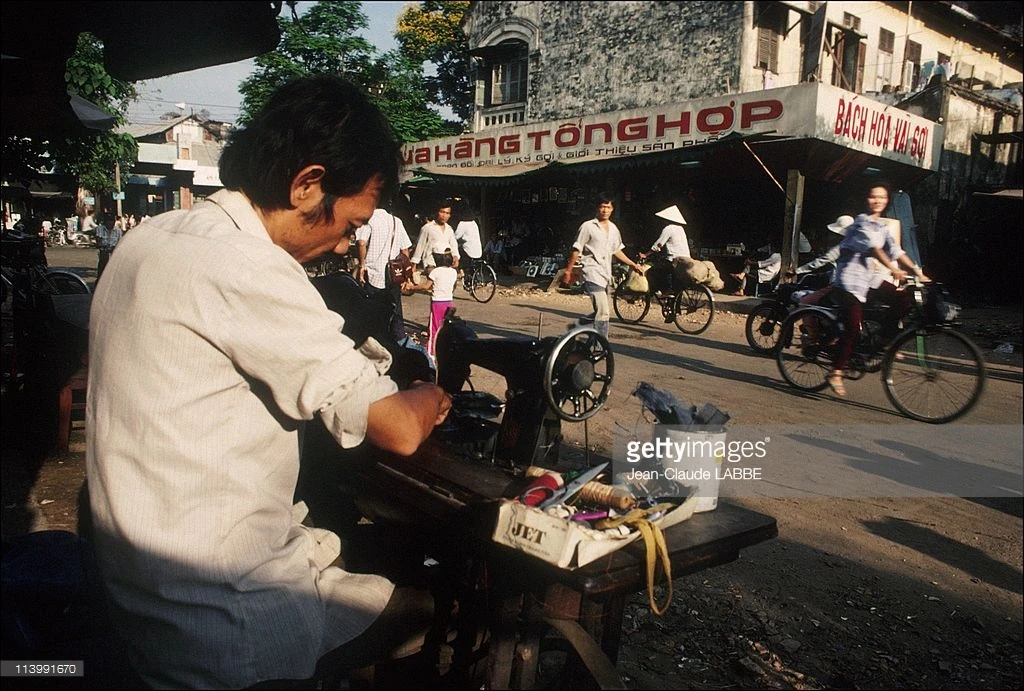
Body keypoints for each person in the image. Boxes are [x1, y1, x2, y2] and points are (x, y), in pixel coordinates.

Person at [85, 75, 453, 689]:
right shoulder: (246, 263)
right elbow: (397, 429)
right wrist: (430, 394)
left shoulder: (151, 237)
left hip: (138, 582)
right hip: (222, 615)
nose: (346, 243)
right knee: (438, 601)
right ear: (307, 184)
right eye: (351, 223)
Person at [827, 181, 928, 396]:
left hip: (869, 280)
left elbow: (897, 251)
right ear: (866, 199)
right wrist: (894, 269)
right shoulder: (861, 223)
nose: (877, 201)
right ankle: (836, 371)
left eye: (882, 197)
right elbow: (874, 249)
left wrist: (917, 272)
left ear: (887, 200)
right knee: (852, 328)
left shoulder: (882, 227)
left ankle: (882, 341)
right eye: (873, 196)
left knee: (903, 300)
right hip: (850, 281)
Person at [561, 193, 644, 339]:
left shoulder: (614, 229)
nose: (605, 210)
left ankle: (577, 326)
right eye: (602, 207)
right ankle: (600, 345)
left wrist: (632, 264)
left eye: (608, 207)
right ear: (597, 208)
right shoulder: (588, 226)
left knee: (600, 311)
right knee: (604, 312)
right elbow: (576, 249)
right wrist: (568, 271)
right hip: (591, 272)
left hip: (605, 274)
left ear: (612, 209)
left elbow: (616, 251)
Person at [356, 207, 413, 343]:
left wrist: (361, 265)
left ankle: (375, 340)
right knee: (395, 310)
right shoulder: (397, 221)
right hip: (394, 274)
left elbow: (361, 242)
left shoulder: (369, 219)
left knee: (373, 311)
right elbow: (405, 249)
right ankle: (399, 341)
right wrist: (406, 275)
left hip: (373, 273)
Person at [402, 249, 459, 360]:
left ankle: (431, 354)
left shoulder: (435, 272)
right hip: (449, 302)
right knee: (445, 328)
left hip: (437, 303)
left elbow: (426, 286)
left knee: (434, 329)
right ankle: (445, 350)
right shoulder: (453, 272)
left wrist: (412, 287)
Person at [639, 204, 690, 296]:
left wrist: (646, 255)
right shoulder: (681, 228)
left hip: (673, 259)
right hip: (685, 260)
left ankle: (665, 291)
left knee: (652, 271)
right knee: (676, 284)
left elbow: (658, 244)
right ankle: (673, 302)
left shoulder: (668, 228)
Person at [411, 200, 459, 270]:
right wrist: (414, 264)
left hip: (446, 263)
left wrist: (455, 257)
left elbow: (454, 245)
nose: (444, 215)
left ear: (449, 215)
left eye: (447, 213)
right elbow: (420, 246)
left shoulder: (449, 229)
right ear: (437, 212)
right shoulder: (427, 228)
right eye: (442, 212)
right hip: (430, 263)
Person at [453, 204, 483, 277]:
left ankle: (461, 271)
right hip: (478, 251)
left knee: (457, 252)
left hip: (469, 252)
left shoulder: (463, 223)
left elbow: (456, 236)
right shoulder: (474, 223)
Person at [95, 215, 122, 281]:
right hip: (104, 251)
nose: (110, 223)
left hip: (114, 252)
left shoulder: (118, 231)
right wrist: (104, 246)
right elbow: (99, 241)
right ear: (105, 222)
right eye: (109, 221)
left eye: (112, 221)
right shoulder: (100, 229)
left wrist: (115, 248)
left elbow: (120, 243)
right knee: (102, 267)